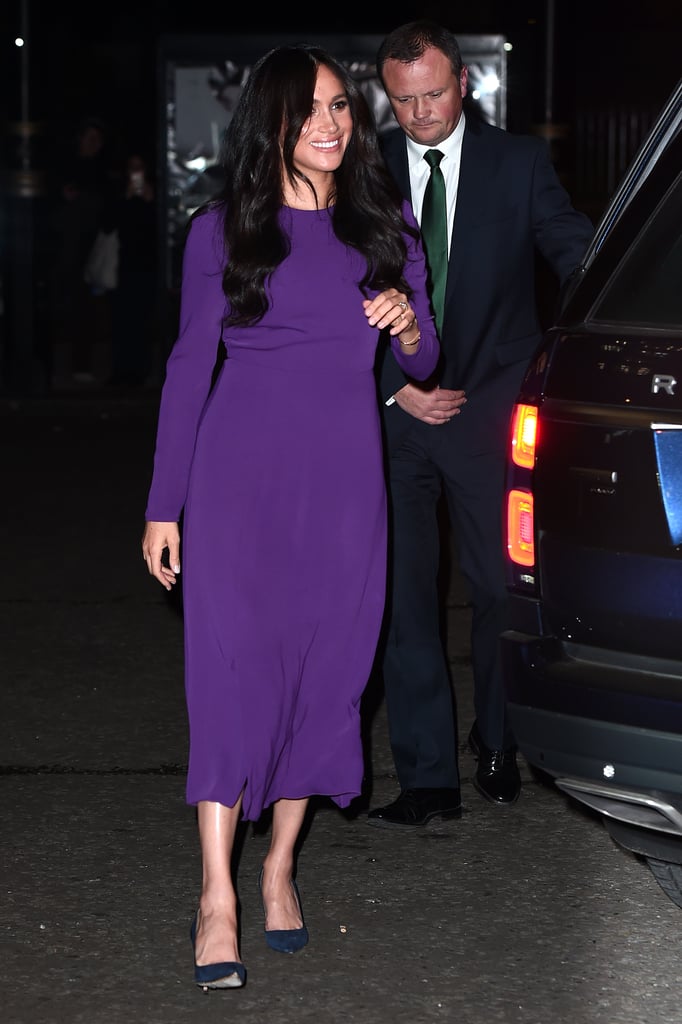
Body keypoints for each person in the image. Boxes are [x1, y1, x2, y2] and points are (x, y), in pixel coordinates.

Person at [141, 43, 439, 990]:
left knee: (325, 678)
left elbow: (428, 359)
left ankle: (278, 873)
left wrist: (403, 321)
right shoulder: (223, 231)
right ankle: (215, 896)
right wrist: (164, 506)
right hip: (237, 488)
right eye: (309, 108)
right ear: (269, 120)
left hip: (344, 491)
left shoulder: (387, 226)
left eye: (342, 108)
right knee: (231, 682)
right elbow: (190, 371)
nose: (330, 124)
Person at [367, 20, 594, 829]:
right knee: (402, 596)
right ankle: (427, 775)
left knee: (500, 586)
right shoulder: (364, 166)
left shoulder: (519, 163)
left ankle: (497, 738)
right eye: (403, 101)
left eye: (432, 94)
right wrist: (398, 384)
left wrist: (622, 297)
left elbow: (574, 251)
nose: (421, 113)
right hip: (394, 414)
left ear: (464, 83)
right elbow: (334, 289)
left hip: (488, 407)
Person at [46, 115, 115, 384]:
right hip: (66, 249)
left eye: (98, 139)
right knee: (66, 306)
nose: (94, 144)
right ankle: (58, 366)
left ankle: (83, 364)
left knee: (88, 308)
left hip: (94, 250)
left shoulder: (104, 171)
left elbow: (108, 211)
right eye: (90, 138)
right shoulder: (64, 167)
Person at [103, 151, 158, 389]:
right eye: (131, 167)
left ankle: (139, 371)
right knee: (121, 319)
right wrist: (125, 198)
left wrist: (151, 201)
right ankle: (120, 370)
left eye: (140, 167)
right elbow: (107, 225)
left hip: (147, 265)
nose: (135, 173)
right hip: (124, 264)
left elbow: (159, 229)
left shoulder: (155, 191)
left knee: (142, 319)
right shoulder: (117, 192)